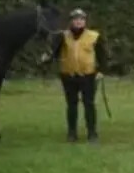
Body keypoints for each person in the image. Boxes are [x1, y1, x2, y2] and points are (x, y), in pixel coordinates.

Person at [41, 9, 108, 143]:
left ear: (85, 21)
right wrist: (46, 59)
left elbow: (102, 55)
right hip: (68, 75)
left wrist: (101, 70)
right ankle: (72, 133)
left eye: (81, 19)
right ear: (71, 21)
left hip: (88, 75)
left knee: (89, 104)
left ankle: (92, 133)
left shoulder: (94, 36)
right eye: (76, 19)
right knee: (71, 104)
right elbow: (55, 52)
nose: (78, 21)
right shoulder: (63, 36)